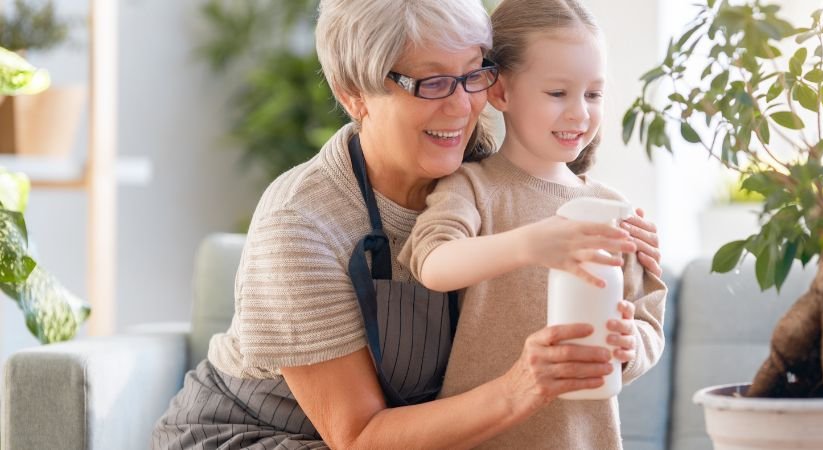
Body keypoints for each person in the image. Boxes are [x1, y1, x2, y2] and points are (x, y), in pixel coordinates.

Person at [149, 0, 662, 448]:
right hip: (264, 437)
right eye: (432, 82)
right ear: (353, 93)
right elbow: (359, 438)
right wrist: (520, 387)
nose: (462, 107)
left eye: (472, 73)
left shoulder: (477, 166)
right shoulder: (301, 224)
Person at [401, 0, 667, 448]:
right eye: (558, 93)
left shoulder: (612, 208)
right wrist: (531, 243)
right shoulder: (473, 187)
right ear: (501, 93)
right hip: (486, 435)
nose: (579, 113)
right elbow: (431, 261)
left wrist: (629, 346)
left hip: (586, 438)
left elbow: (648, 323)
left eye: (594, 94)